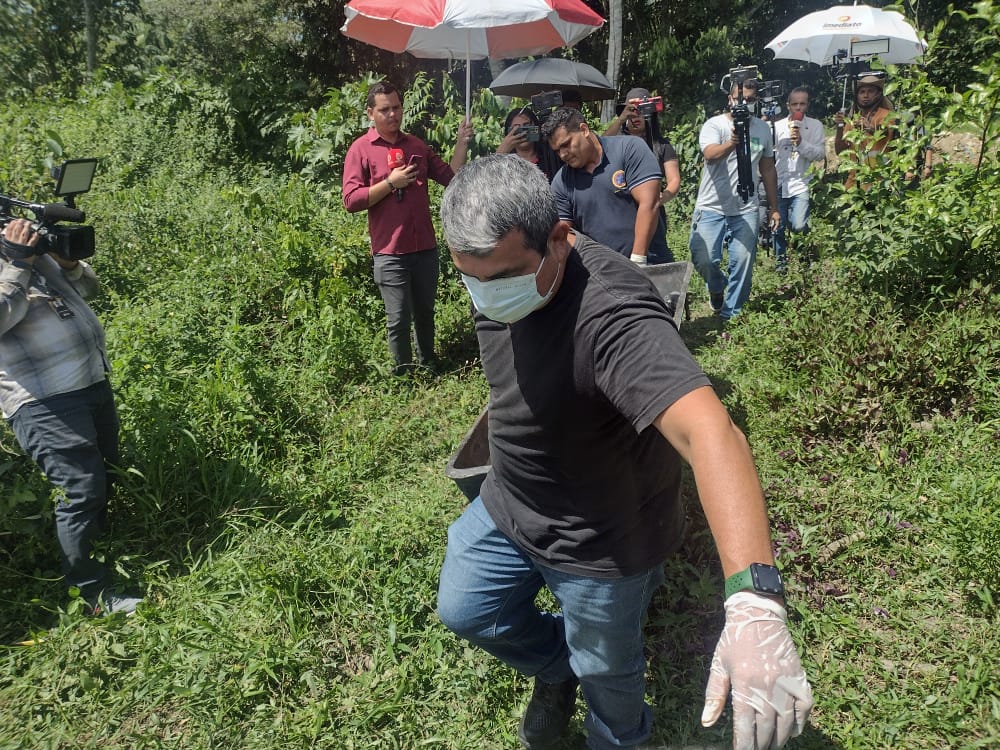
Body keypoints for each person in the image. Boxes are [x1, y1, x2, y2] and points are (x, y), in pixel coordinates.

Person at [436, 154, 813, 750]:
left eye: (502, 277)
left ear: (560, 238)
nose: (485, 295)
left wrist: (754, 596)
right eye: (470, 279)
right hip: (510, 499)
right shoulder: (499, 273)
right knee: (466, 610)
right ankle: (555, 669)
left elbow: (712, 433)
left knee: (608, 674)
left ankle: (618, 737)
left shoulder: (611, 312)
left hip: (599, 540)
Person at [0, 218, 141, 615]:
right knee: (81, 490)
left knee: (104, 475)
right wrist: (17, 261)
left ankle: (107, 555)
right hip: (42, 397)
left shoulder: (23, 245)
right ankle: (92, 595)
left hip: (89, 380)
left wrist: (66, 263)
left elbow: (88, 288)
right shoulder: (17, 252)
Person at [342, 80, 473, 374]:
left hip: (424, 247)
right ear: (370, 114)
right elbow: (351, 200)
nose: (393, 115)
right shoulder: (360, 150)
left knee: (425, 313)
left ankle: (428, 364)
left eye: (397, 108)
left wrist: (462, 142)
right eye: (385, 109)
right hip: (390, 252)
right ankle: (403, 375)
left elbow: (451, 177)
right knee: (398, 318)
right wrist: (390, 183)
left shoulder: (416, 145)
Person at [688, 77, 779, 320]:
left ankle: (730, 315)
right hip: (711, 206)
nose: (744, 104)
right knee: (703, 258)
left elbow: (768, 169)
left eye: (750, 100)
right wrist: (732, 142)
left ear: (756, 101)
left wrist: (774, 207)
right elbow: (709, 155)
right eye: (740, 98)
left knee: (742, 262)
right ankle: (716, 287)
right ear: (729, 98)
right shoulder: (714, 125)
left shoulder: (762, 128)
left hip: (745, 207)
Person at [542, 107, 672, 265]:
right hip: (604, 274)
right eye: (557, 151)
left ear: (584, 130)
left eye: (566, 144)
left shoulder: (629, 149)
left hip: (651, 263)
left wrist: (638, 262)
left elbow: (649, 204)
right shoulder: (562, 182)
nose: (563, 155)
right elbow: (563, 234)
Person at [772, 87, 826, 272]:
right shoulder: (777, 126)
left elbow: (819, 154)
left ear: (808, 105)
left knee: (799, 224)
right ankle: (781, 266)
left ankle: (803, 256)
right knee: (777, 227)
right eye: (794, 103)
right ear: (788, 105)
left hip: (801, 182)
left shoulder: (815, 126)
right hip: (779, 182)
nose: (798, 107)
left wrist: (801, 142)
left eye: (802, 103)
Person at [604, 87, 681, 206]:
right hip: (620, 207)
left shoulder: (661, 144)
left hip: (651, 207)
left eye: (641, 111)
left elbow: (674, 179)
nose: (636, 116)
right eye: (632, 111)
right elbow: (601, 143)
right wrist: (620, 120)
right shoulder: (617, 141)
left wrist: (664, 197)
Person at [833, 74, 897, 190]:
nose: (865, 95)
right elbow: (840, 151)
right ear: (857, 96)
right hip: (854, 184)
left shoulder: (887, 115)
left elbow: (887, 133)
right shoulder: (852, 120)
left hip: (880, 184)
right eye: (862, 92)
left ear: (878, 95)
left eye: (870, 91)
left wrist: (870, 129)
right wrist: (839, 128)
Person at [497, 107, 560, 182]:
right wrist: (499, 154)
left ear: (536, 128)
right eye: (516, 127)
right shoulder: (506, 163)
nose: (523, 132)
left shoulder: (550, 155)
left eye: (526, 125)